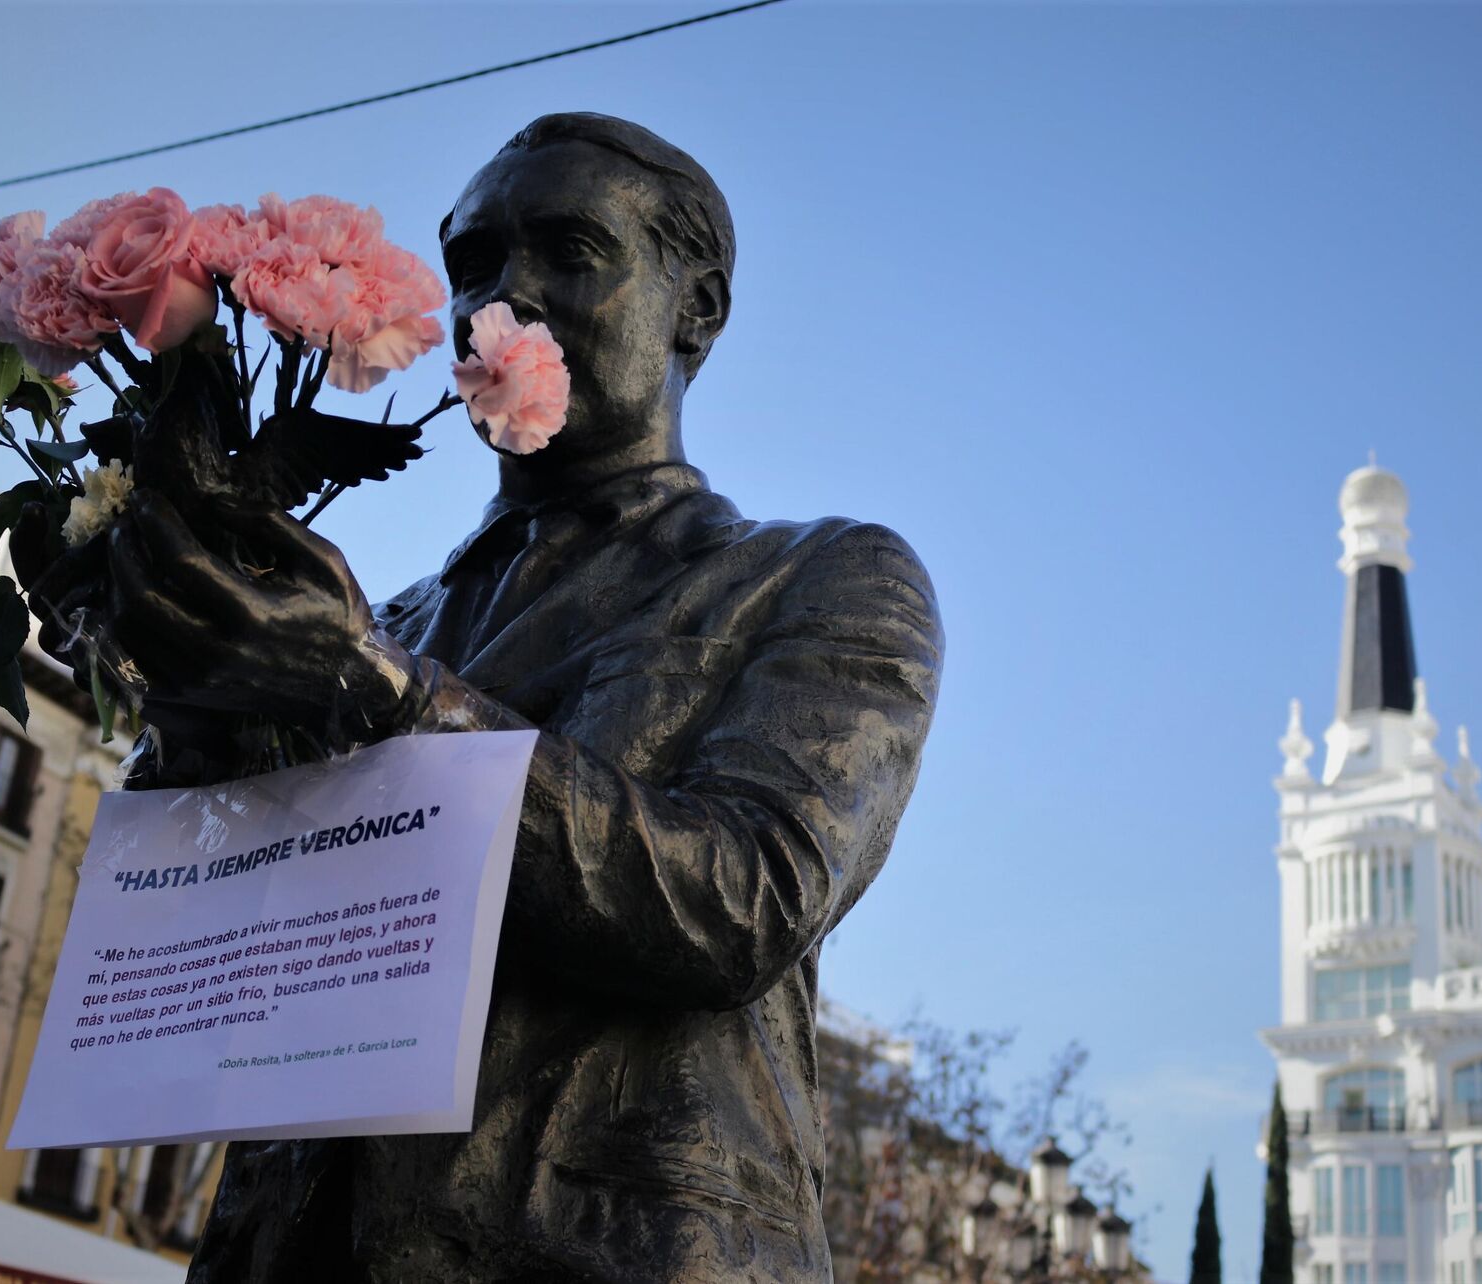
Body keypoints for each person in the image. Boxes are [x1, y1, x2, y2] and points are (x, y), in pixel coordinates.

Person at [46, 114, 943, 1282]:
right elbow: (190, 967)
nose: (502, 296)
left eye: (571, 249)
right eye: (473, 264)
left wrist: (371, 693)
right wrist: (183, 718)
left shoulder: (816, 577)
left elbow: (746, 902)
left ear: (698, 307)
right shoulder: (385, 621)